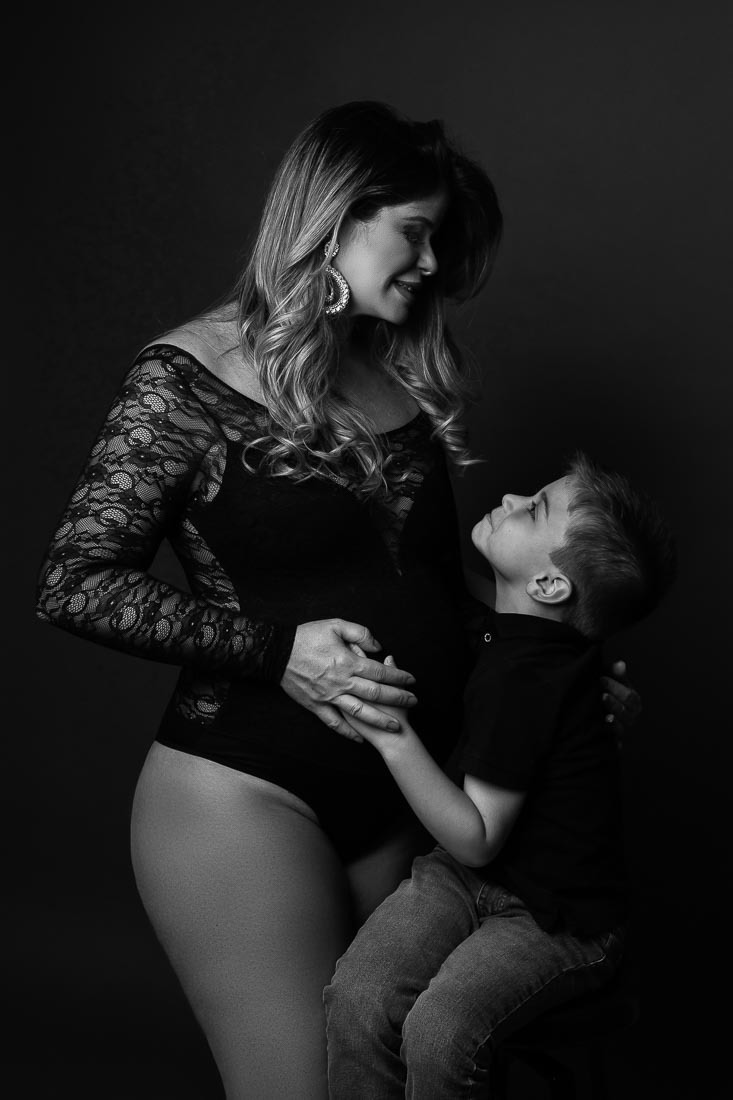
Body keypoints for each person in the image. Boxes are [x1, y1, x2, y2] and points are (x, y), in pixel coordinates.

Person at [35, 103, 638, 1098]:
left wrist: (555, 678)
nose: (431, 264)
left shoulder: (388, 369)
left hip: (405, 795)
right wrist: (280, 651)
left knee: (397, 1076)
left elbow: (428, 587)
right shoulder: (183, 380)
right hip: (246, 792)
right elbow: (75, 582)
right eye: (415, 231)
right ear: (335, 214)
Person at [324, 452, 676, 1098]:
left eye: (533, 508)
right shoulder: (524, 631)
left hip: (555, 918)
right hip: (463, 881)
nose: (512, 497)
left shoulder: (528, 681)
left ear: (549, 586)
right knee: (358, 995)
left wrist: (391, 735)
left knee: (440, 1031)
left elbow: (477, 838)